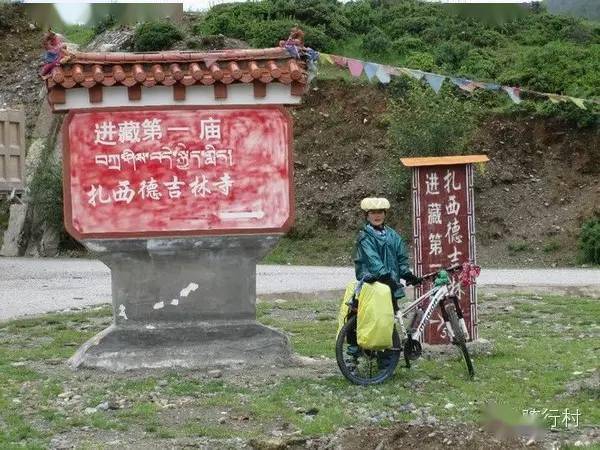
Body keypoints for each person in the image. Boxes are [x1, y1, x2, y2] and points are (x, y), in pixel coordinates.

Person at [348, 197, 422, 367]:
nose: (377, 215)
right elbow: (373, 261)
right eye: (373, 212)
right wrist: (386, 276)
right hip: (371, 285)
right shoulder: (364, 237)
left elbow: (402, 259)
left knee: (387, 322)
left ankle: (386, 362)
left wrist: (408, 275)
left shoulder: (393, 236)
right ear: (367, 215)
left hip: (390, 286)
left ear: (385, 214)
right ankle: (353, 356)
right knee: (360, 318)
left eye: (380, 212)